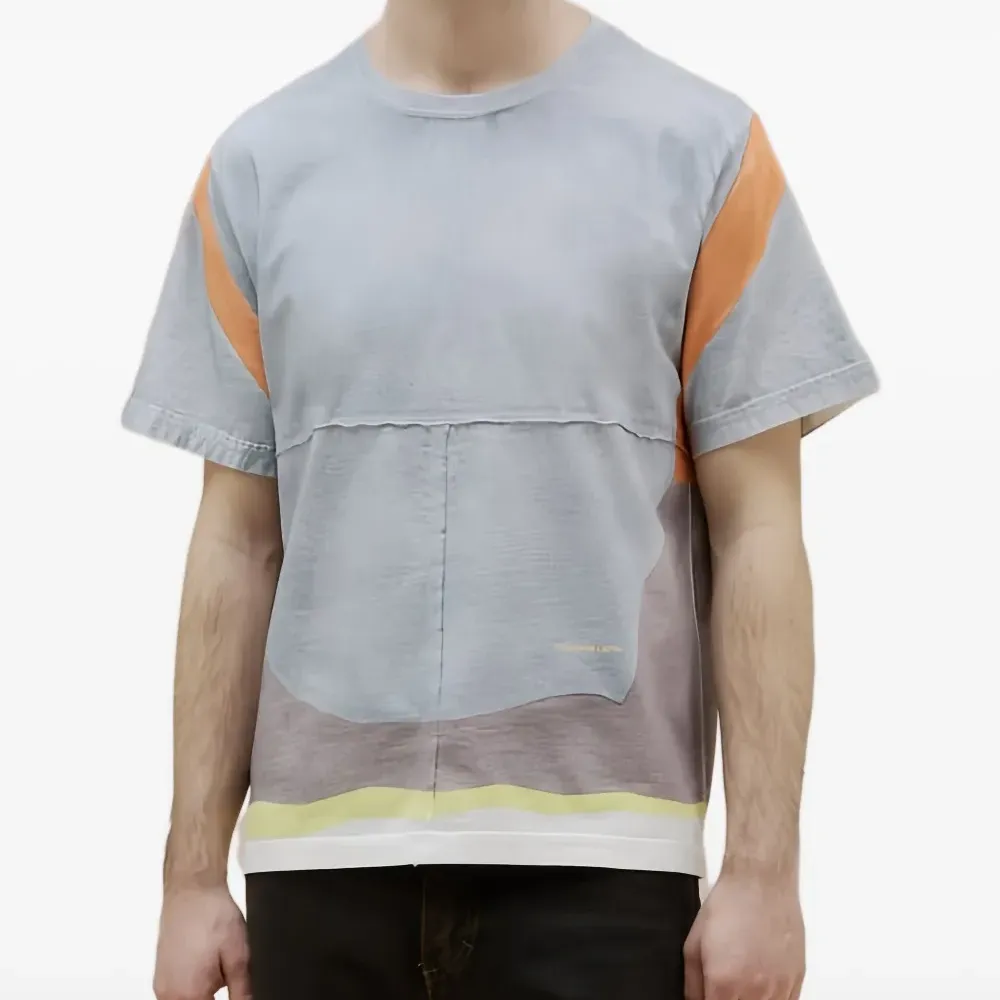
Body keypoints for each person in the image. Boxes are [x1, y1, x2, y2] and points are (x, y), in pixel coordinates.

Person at [123, 1, 878, 998]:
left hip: (607, 864)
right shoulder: (259, 167)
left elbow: (760, 530)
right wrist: (189, 877)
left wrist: (765, 871)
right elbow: (236, 540)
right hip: (316, 866)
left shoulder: (704, 151)